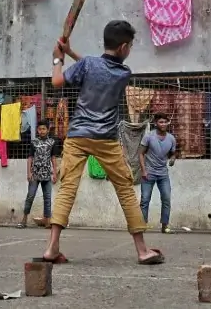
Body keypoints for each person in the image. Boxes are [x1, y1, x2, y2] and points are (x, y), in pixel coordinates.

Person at [41, 20, 164, 266]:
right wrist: (69, 53)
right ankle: (142, 250)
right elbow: (95, 66)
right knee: (126, 189)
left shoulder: (88, 64)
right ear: (122, 47)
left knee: (67, 189)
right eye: (129, 46)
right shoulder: (123, 73)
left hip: (77, 136)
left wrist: (57, 59)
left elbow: (57, 81)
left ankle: (51, 248)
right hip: (106, 140)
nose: (129, 50)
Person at [17, 120, 58, 229]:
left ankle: (48, 221)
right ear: (37, 130)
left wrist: (55, 172)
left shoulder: (52, 142)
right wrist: (29, 172)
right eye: (40, 129)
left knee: (47, 198)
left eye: (44, 129)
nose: (42, 131)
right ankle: (24, 219)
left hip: (47, 174)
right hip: (35, 174)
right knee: (30, 196)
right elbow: (30, 158)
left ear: (48, 130)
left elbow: (53, 158)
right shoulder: (34, 142)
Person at [139, 114, 176, 234]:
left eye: (165, 122)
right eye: (161, 122)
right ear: (156, 123)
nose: (163, 124)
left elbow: (173, 153)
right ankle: (142, 225)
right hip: (148, 173)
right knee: (145, 200)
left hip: (163, 174)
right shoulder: (149, 136)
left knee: (166, 199)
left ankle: (165, 226)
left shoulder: (171, 138)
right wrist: (144, 170)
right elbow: (141, 153)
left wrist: (173, 159)